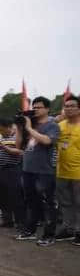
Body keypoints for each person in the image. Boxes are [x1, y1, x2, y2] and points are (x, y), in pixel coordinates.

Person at [15, 97, 60, 246]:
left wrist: (28, 128)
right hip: (28, 169)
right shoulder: (30, 125)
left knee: (48, 204)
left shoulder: (52, 125)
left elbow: (47, 141)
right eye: (34, 107)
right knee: (31, 202)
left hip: (44, 171)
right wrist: (20, 128)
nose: (35, 110)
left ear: (47, 109)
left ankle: (49, 235)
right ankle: (30, 230)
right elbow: (19, 145)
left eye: (39, 107)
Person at [54, 95, 80, 246]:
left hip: (78, 173)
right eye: (67, 106)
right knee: (65, 203)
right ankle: (68, 228)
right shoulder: (60, 125)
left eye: (72, 106)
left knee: (79, 203)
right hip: (61, 171)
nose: (68, 108)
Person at [0, 118, 25, 229]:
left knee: (15, 196)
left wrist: (4, 147)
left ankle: (20, 221)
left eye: (2, 129)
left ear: (9, 127)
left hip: (12, 170)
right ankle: (7, 220)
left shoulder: (17, 138)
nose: (1, 132)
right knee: (2, 196)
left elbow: (20, 152)